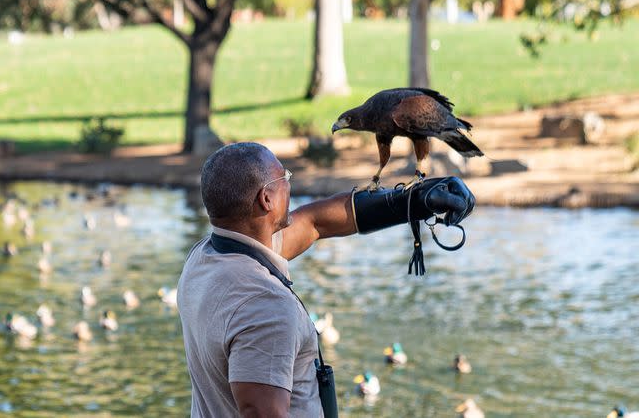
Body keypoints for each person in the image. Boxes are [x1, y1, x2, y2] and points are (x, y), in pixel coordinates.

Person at [177, 142, 475, 418]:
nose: (290, 185)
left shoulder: (205, 257)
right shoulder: (266, 306)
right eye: (285, 178)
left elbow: (314, 222)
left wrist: (412, 200)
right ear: (266, 198)